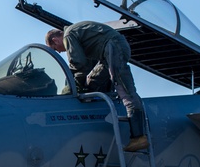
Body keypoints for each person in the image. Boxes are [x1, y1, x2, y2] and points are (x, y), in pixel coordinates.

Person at [45, 22, 148, 152]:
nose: (59, 51)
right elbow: (86, 66)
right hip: (108, 52)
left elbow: (79, 63)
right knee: (92, 81)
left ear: (55, 39)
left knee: (125, 91)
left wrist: (70, 85)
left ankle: (139, 137)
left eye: (55, 48)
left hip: (113, 48)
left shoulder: (69, 35)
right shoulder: (74, 33)